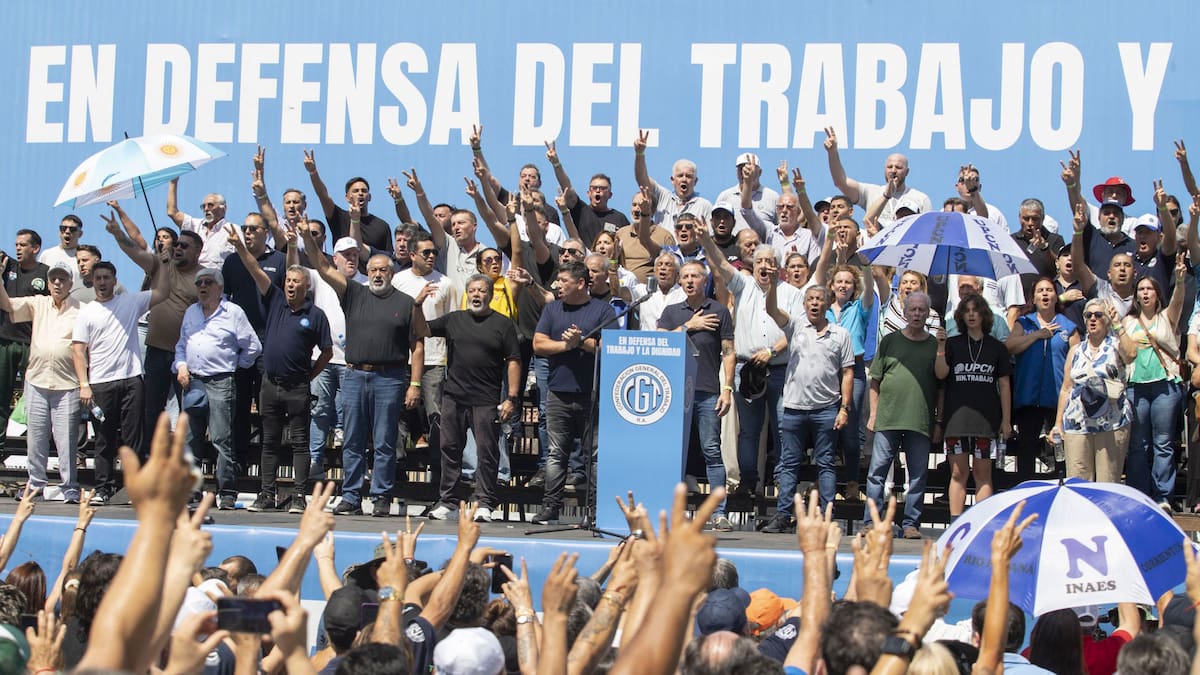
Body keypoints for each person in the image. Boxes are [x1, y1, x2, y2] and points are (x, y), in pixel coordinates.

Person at [301, 226, 426, 517]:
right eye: (373, 270)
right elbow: (320, 264)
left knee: (384, 441)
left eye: (383, 270)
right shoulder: (353, 292)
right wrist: (307, 238)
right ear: (366, 272)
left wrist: (415, 384)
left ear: (392, 273)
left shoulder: (406, 303)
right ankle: (351, 495)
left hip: (390, 378)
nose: (378, 275)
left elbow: (417, 346)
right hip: (354, 374)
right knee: (353, 439)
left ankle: (381, 496)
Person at [227, 226, 332, 514]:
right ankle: (266, 494)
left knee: (300, 443)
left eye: (296, 281)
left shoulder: (316, 315)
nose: (289, 284)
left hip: (297, 386)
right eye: (287, 280)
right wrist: (239, 246)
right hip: (269, 384)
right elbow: (255, 270)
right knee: (269, 442)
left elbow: (327, 352)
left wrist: (309, 376)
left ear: (306, 286)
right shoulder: (274, 300)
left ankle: (299, 497)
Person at [697, 224, 801, 496]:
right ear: (752, 266)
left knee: (783, 429)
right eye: (760, 262)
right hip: (746, 368)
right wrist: (707, 239)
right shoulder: (743, 286)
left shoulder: (792, 294)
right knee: (748, 432)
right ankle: (748, 482)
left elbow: (797, 330)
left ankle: (781, 483)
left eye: (770, 262)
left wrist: (773, 351)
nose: (765, 266)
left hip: (780, 368)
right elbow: (720, 263)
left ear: (779, 268)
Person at [71, 261, 169, 504]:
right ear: (92, 282)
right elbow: (78, 351)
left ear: (115, 280)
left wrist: (163, 264)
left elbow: (164, 292)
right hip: (100, 383)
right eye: (98, 278)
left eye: (107, 278)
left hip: (131, 379)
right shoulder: (86, 312)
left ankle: (133, 488)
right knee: (104, 439)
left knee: (133, 437)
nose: (102, 283)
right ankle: (103, 488)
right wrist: (84, 384)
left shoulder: (131, 301)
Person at [426, 274, 521, 522]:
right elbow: (421, 329)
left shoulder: (503, 324)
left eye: (481, 290)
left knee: (487, 452)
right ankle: (448, 501)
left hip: (486, 399)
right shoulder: (454, 319)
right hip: (454, 396)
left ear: (490, 294)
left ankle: (485, 503)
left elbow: (513, 361)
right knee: (449, 449)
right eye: (472, 290)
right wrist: (416, 305)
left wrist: (511, 397)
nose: (476, 294)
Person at [762, 283, 853, 531]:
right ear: (804, 304)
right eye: (810, 299)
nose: (814, 303)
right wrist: (772, 284)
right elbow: (771, 310)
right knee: (789, 463)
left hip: (826, 409)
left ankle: (826, 516)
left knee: (825, 463)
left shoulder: (840, 334)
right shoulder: (795, 326)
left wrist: (844, 408)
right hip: (794, 408)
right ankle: (782, 516)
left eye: (819, 299)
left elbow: (847, 372)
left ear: (827, 304)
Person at [531, 262, 616, 525]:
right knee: (557, 454)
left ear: (581, 283)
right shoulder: (552, 308)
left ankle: (594, 511)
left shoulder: (603, 310)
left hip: (592, 394)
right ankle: (550, 508)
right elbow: (538, 344)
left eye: (564, 281)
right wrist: (566, 345)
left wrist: (584, 343)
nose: (558, 286)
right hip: (558, 392)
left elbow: (612, 349)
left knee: (595, 456)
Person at [173, 267, 262, 509]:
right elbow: (181, 345)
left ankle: (227, 492)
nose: (202, 286)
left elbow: (253, 346)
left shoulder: (233, 313)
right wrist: (181, 366)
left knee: (222, 440)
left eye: (208, 282)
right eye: (199, 282)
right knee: (190, 439)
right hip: (192, 381)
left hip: (222, 382)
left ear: (219, 288)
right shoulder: (191, 312)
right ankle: (192, 492)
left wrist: (236, 366)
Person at [657, 261, 735, 531]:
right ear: (680, 281)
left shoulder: (719, 311)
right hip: (673, 392)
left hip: (707, 391)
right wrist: (689, 325)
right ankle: (669, 511)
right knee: (670, 452)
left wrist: (727, 388)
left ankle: (718, 513)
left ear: (705, 281)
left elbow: (728, 352)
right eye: (686, 276)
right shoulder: (671, 312)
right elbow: (659, 341)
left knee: (712, 450)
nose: (690, 281)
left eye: (695, 276)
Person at [0, 261, 81, 502]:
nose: (57, 283)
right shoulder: (38, 303)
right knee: (35, 438)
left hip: (67, 384)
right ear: (47, 283)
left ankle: (70, 488)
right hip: (36, 381)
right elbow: (6, 305)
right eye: (53, 279)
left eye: (62, 279)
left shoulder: (81, 309)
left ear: (70, 283)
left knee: (66, 440)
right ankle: (35, 484)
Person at [863, 291, 939, 539]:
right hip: (888, 417)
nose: (917, 314)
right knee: (877, 473)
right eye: (913, 310)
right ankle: (871, 522)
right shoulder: (889, 341)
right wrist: (873, 413)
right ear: (905, 313)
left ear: (928, 314)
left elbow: (942, 385)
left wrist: (939, 420)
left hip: (920, 418)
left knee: (917, 475)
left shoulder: (935, 345)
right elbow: (875, 380)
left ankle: (911, 524)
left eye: (921, 310)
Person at [934, 295, 1012, 517]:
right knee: (958, 473)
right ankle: (956, 522)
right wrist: (940, 346)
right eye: (966, 310)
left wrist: (1006, 420)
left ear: (983, 315)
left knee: (983, 473)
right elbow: (940, 373)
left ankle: (979, 522)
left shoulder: (997, 348)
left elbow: (1004, 385)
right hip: (956, 420)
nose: (971, 314)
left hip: (986, 420)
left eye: (975, 310)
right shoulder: (952, 344)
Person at [392, 232, 460, 473]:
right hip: (401, 359)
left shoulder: (445, 283)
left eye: (434, 252)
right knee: (397, 414)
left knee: (436, 417)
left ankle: (438, 472)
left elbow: (453, 324)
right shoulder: (397, 281)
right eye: (426, 252)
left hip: (434, 360)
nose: (432, 256)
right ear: (412, 255)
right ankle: (396, 468)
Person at [1122, 257, 1187, 507]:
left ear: (1157, 294)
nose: (1145, 293)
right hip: (1136, 386)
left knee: (1163, 443)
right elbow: (1124, 352)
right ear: (1136, 296)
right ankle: (1139, 494)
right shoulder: (1128, 322)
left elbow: (1178, 301)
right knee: (1138, 445)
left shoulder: (1166, 318)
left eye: (1149, 288)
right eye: (1141, 289)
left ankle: (1163, 496)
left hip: (1165, 385)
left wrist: (1179, 280)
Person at [1050, 299, 1134, 484]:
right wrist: (1058, 423)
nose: (1093, 319)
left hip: (1111, 423)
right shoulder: (1076, 350)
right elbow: (1066, 387)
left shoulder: (1116, 345)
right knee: (1078, 482)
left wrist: (1119, 325)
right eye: (1089, 316)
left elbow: (1131, 354)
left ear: (1107, 320)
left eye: (1098, 315)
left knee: (1108, 481)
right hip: (1078, 422)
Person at [1007, 277, 1079, 479]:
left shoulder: (1068, 327)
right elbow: (1009, 347)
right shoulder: (1024, 322)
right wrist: (1037, 335)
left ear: (1056, 297)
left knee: (1060, 454)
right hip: (1029, 399)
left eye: (1049, 290)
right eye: (1040, 291)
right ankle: (1026, 496)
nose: (1045, 294)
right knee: (1026, 452)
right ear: (1034, 297)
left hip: (1058, 400)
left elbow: (1078, 360)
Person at [0, 229, 48, 459]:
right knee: (1, 399)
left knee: (36, 402)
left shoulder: (46, 274)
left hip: (32, 344)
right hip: (5, 342)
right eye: (16, 244)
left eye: (23, 245)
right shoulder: (6, 266)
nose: (18, 248)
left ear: (35, 248)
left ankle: (34, 456)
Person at [824, 126, 931, 226]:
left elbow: (928, 230)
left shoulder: (920, 198)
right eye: (889, 167)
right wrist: (832, 153)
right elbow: (841, 182)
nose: (893, 171)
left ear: (907, 172)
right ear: (884, 170)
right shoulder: (871, 192)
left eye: (898, 168)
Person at [304, 151, 392, 253]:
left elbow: (388, 257)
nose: (360, 194)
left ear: (369, 197)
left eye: (364, 191)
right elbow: (323, 196)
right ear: (347, 197)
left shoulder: (382, 226)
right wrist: (313, 172)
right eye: (355, 191)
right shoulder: (338, 217)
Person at [633, 129, 713, 231]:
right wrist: (639, 153)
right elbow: (642, 180)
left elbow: (709, 238)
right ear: (672, 180)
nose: (684, 179)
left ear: (695, 181)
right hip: (660, 247)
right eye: (680, 176)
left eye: (688, 176)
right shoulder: (662, 196)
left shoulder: (704, 206)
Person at [166, 178, 233, 269]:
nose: (206, 209)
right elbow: (172, 212)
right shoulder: (195, 225)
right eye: (203, 206)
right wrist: (173, 182)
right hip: (193, 279)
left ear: (223, 208)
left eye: (210, 205)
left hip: (218, 280)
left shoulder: (233, 230)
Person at [716, 152, 779, 234]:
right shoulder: (725, 196)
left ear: (760, 172)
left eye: (750, 169)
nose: (746, 172)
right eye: (741, 169)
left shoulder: (772, 197)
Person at [39, 215, 85, 288]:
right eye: (63, 228)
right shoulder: (47, 254)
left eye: (72, 229)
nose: (67, 231)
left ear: (80, 234)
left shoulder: (84, 256)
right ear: (59, 232)